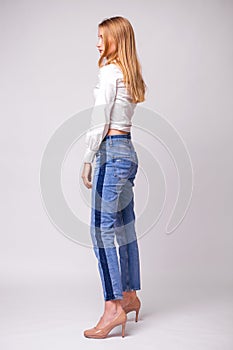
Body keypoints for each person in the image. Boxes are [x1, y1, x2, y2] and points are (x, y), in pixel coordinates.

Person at [81, 16, 147, 339]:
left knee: (101, 231)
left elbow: (99, 119)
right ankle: (131, 294)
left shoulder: (109, 72)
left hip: (111, 151)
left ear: (115, 40)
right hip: (129, 151)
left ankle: (113, 307)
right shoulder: (130, 75)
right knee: (125, 228)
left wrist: (87, 157)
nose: (97, 43)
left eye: (101, 37)